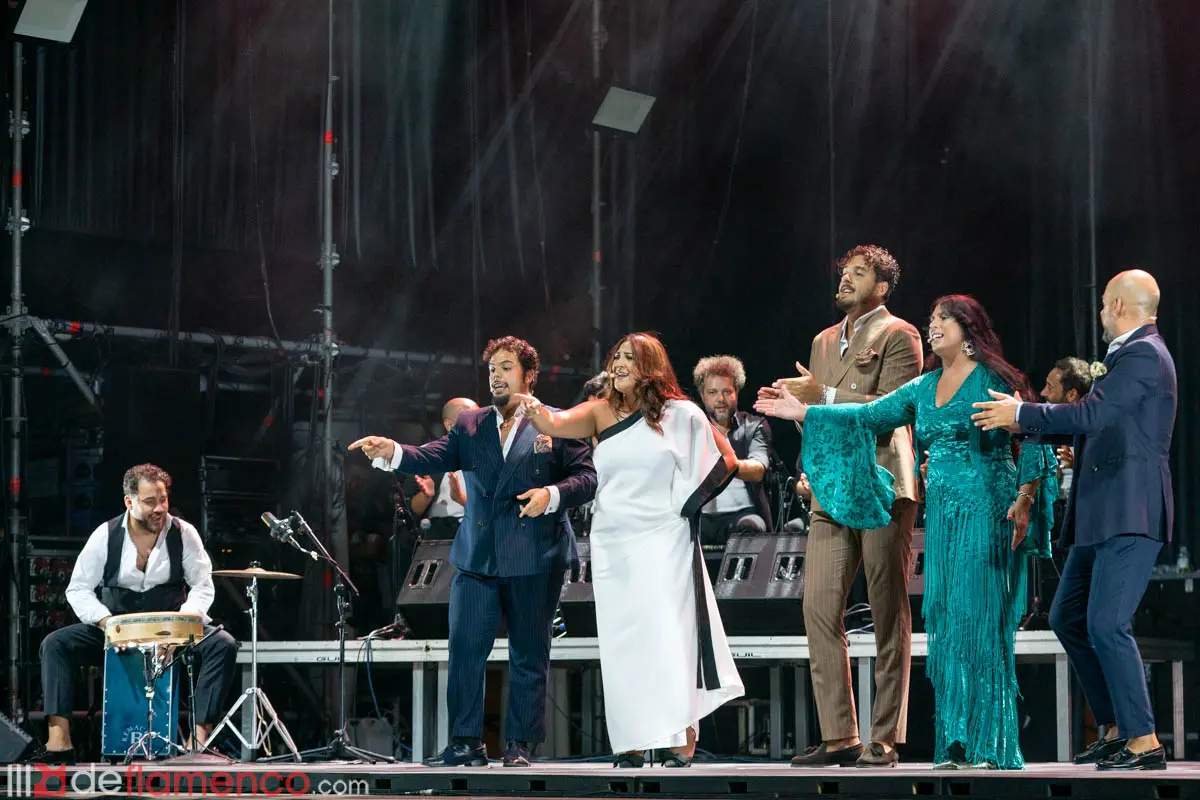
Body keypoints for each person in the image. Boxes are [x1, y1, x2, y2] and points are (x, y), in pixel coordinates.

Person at [756, 295, 1058, 770]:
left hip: (987, 512)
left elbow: (1034, 431)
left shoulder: (994, 378)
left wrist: (1025, 497)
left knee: (978, 624)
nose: (933, 326)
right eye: (932, 319)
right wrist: (806, 412)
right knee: (946, 626)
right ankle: (957, 743)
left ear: (968, 328)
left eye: (943, 320)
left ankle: (989, 742)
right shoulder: (925, 385)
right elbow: (868, 416)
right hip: (943, 521)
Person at [349, 336, 597, 768]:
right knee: (464, 650)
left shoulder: (558, 422)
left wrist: (552, 495)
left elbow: (587, 477)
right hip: (478, 556)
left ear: (529, 375)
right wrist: (392, 452)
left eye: (505, 367)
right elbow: (430, 456)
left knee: (528, 653)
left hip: (534, 555)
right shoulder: (470, 424)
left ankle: (520, 744)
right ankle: (465, 743)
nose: (496, 376)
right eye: (491, 370)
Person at [972, 269, 1175, 771]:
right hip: (1101, 514)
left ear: (1121, 307)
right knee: (1068, 617)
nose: (1101, 313)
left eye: (1105, 304)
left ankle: (1144, 740)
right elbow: (1100, 426)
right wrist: (1035, 429)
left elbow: (1090, 415)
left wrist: (1022, 415)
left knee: (1107, 622)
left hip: (1131, 511)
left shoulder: (1145, 354)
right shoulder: (1126, 356)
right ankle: (1114, 727)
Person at [514, 332, 745, 768]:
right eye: (616, 356)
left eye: (629, 358)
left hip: (664, 539)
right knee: (624, 644)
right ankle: (632, 741)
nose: (618, 364)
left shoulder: (681, 414)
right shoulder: (601, 410)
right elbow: (555, 423)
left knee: (666, 638)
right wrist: (531, 406)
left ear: (650, 367)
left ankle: (680, 736)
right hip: (614, 541)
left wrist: (685, 508)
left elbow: (724, 461)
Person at [772, 245, 923, 767]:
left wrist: (822, 397)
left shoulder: (900, 334)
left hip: (881, 482)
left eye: (858, 273)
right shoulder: (820, 341)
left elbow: (894, 408)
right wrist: (798, 412)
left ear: (881, 287)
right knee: (818, 608)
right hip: (831, 488)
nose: (845, 279)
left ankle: (884, 734)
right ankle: (840, 734)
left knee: (886, 610)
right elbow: (814, 416)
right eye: (843, 272)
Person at [37, 464, 238, 764]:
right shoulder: (105, 536)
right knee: (54, 645)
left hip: (170, 627)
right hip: (116, 626)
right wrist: (106, 623)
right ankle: (59, 743)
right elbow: (77, 589)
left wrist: (181, 627)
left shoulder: (185, 534)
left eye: (163, 500)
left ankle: (199, 742)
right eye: (150, 502)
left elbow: (202, 587)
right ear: (129, 502)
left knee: (223, 644)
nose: (160, 508)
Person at [693, 355, 774, 546]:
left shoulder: (754, 426)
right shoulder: (691, 429)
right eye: (712, 392)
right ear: (702, 396)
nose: (720, 399)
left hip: (742, 516)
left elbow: (758, 469)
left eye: (726, 392)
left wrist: (725, 465)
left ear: (736, 392)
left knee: (752, 525)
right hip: (700, 517)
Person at [408, 398, 479, 539]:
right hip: (437, 534)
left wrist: (462, 499)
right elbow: (411, 512)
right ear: (449, 425)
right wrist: (426, 495)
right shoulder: (426, 456)